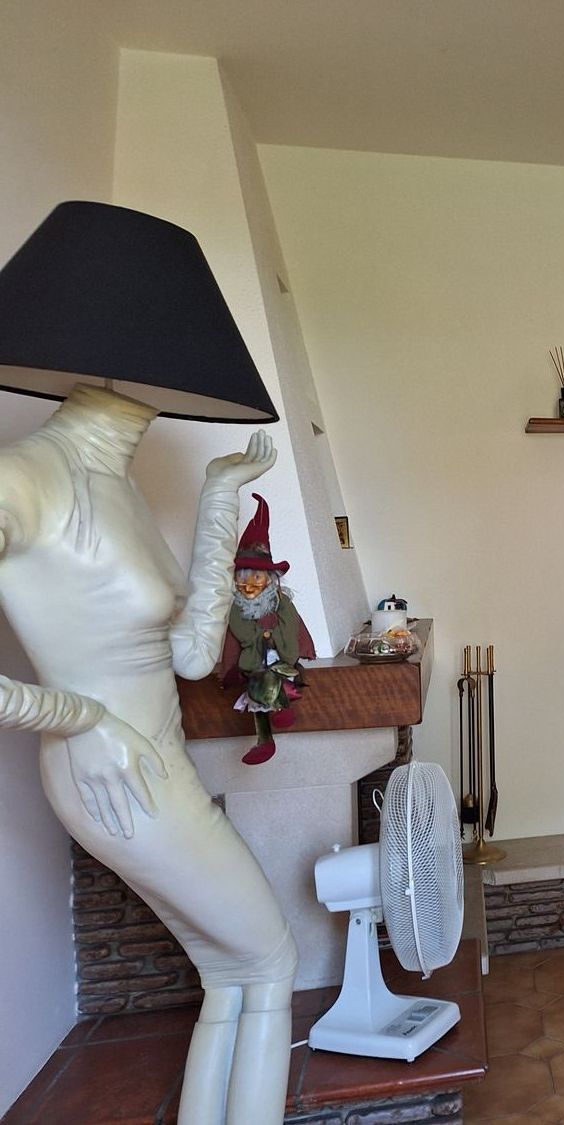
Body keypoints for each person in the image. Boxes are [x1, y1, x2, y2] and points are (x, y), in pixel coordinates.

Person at [0, 383, 295, 1124]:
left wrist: (220, 496)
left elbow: (192, 654)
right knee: (271, 961)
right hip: (117, 774)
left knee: (231, 972)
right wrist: (80, 719)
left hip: (155, 766)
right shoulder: (22, 477)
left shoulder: (117, 484)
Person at [219, 494, 315, 766]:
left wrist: (280, 642)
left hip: (280, 656)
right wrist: (254, 642)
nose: (249, 585)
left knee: (272, 677)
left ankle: (278, 716)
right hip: (253, 660)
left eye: (256, 577)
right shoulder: (238, 609)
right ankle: (266, 739)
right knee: (257, 685)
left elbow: (293, 625)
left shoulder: (281, 603)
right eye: (243, 578)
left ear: (270, 579)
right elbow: (236, 632)